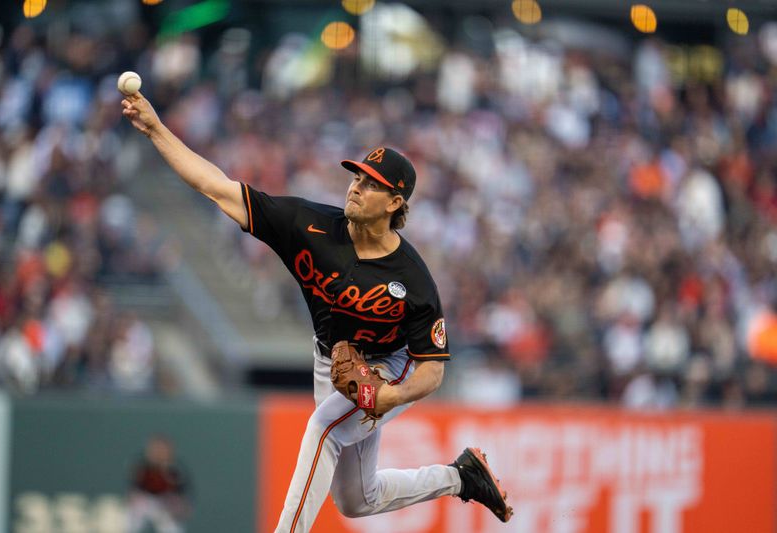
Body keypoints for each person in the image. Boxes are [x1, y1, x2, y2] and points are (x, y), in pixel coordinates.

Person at [121, 91, 512, 531]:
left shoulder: (414, 280)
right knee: (356, 499)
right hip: (330, 360)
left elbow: (433, 371)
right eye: (357, 178)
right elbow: (214, 186)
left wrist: (390, 396)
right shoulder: (308, 227)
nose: (356, 187)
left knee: (323, 428)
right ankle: (460, 478)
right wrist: (155, 128)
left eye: (371, 184)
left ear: (395, 203)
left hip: (389, 364)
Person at [127, 435, 191, 533]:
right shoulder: (143, 466)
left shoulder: (175, 469)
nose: (158, 453)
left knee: (171, 526)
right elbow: (134, 489)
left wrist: (180, 505)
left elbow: (183, 495)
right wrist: (134, 498)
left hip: (166, 503)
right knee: (132, 519)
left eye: (162, 449)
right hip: (146, 501)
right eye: (156, 449)